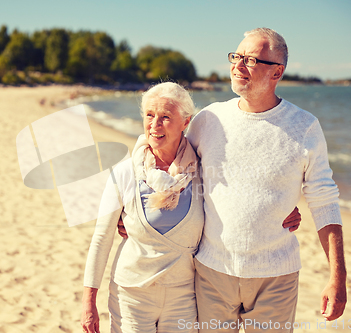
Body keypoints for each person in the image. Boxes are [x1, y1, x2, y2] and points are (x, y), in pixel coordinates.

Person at [81, 82, 302, 333]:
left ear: (186, 122)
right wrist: (89, 302)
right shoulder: (125, 173)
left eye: (166, 117)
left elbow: (243, 195)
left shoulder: (202, 170)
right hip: (132, 294)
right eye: (150, 115)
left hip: (184, 295)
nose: (155, 125)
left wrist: (283, 210)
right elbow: (101, 239)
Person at [186, 28, 347, 332]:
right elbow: (173, 167)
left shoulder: (304, 127)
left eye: (250, 60)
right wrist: (133, 212)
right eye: (236, 56)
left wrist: (337, 279)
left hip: (276, 277)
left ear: (277, 72)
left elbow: (324, 202)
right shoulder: (208, 120)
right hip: (211, 271)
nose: (237, 65)